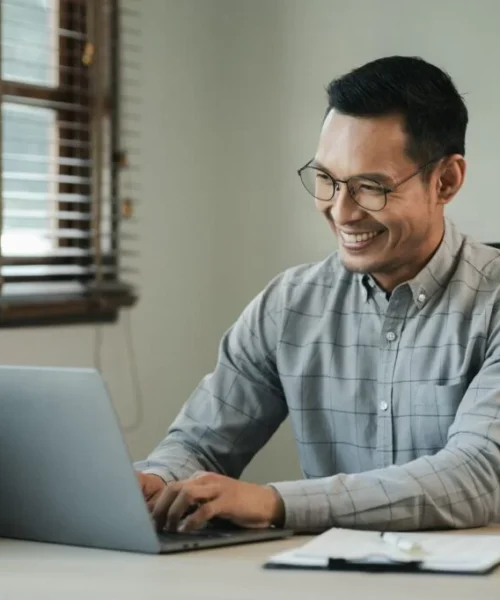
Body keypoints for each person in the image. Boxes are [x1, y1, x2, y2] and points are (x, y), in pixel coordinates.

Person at [135, 55, 500, 534]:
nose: (341, 211)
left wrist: (274, 503)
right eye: (326, 179)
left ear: (446, 180)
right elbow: (201, 443)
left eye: (371, 187)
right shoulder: (289, 304)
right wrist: (159, 480)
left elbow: (475, 477)